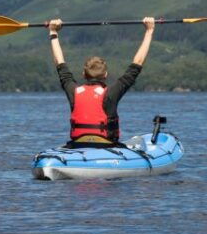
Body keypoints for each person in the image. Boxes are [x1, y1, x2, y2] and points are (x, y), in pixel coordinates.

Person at [47, 16, 155, 147]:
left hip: (77, 144)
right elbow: (137, 64)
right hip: (107, 145)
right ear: (106, 75)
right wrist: (149, 31)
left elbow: (60, 63)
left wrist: (53, 32)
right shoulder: (111, 93)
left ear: (83, 75)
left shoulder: (73, 91)